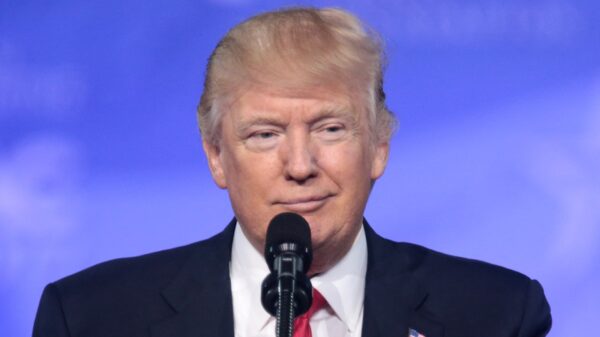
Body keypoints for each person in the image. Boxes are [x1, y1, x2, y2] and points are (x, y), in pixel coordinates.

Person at [33, 7, 552, 337]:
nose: (300, 166)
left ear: (378, 147)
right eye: (265, 134)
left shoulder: (496, 314)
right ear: (216, 156)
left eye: (330, 129)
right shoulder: (91, 317)